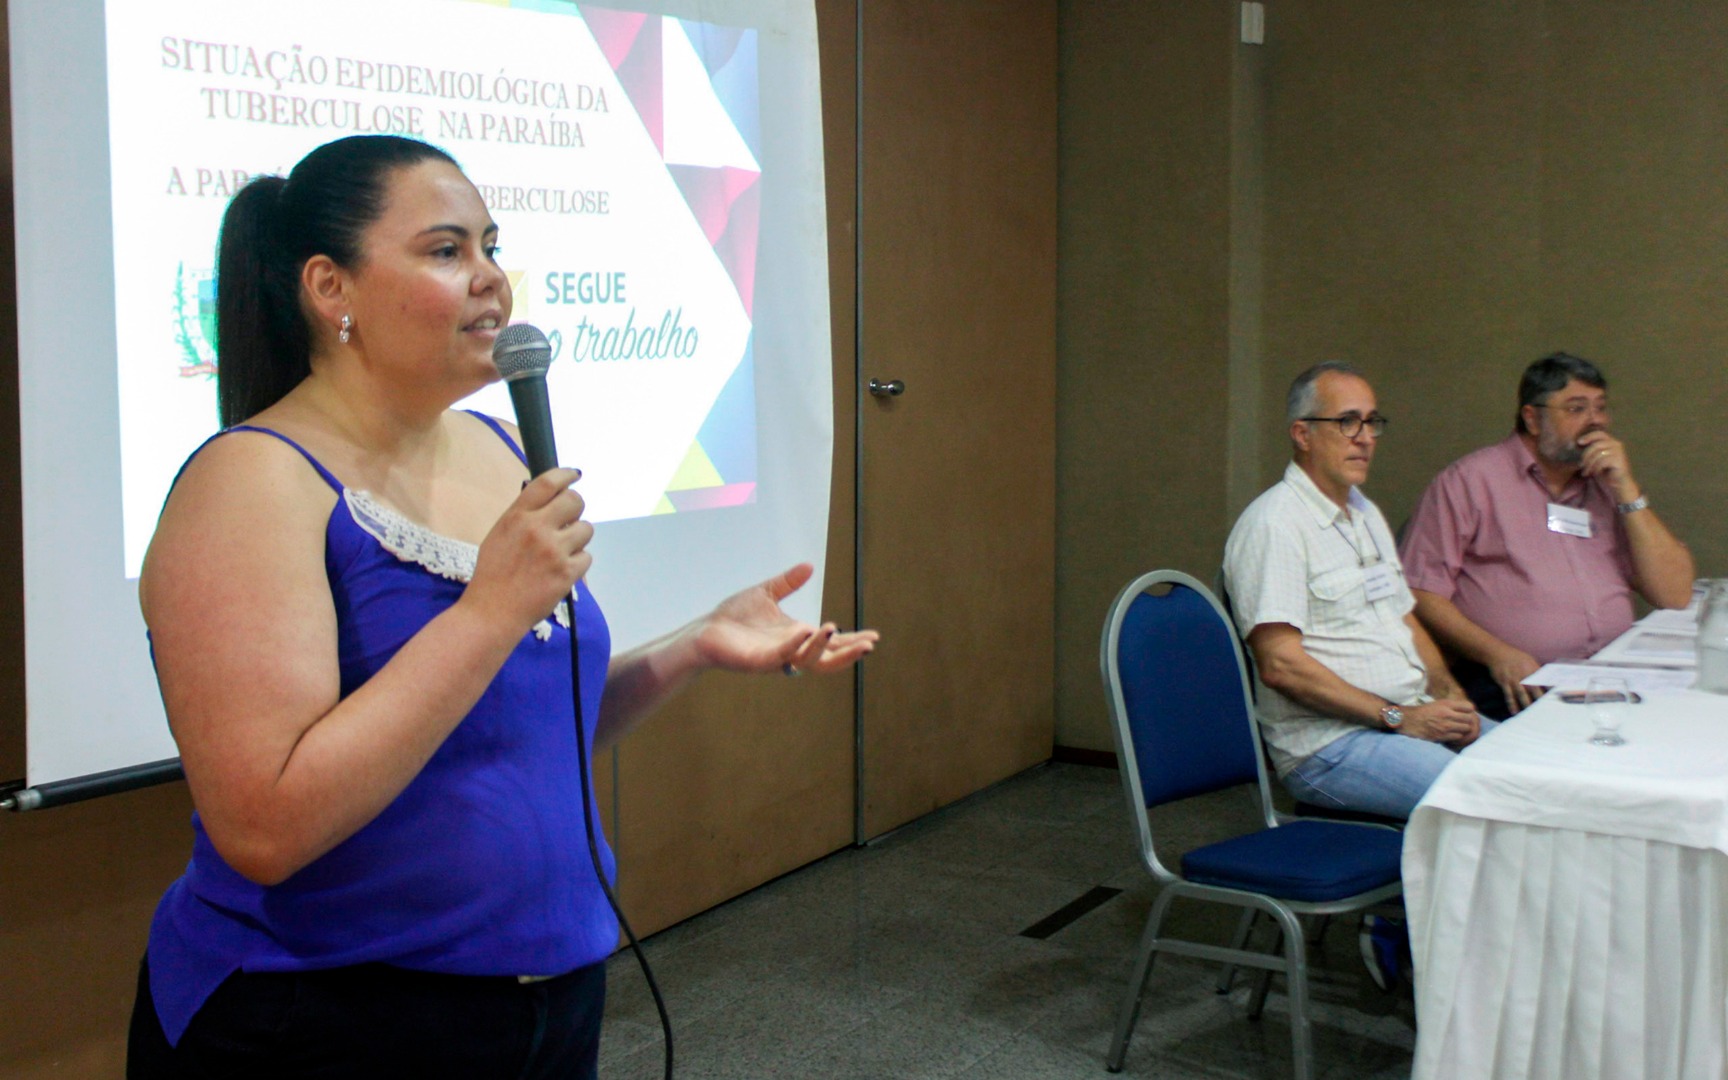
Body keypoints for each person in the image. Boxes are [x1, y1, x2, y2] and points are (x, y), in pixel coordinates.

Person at [126, 135, 877, 1079]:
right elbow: (265, 827)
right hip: (320, 1019)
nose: (491, 278)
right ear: (331, 289)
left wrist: (691, 646)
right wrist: (486, 612)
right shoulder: (250, 482)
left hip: (544, 1007)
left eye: (490, 244)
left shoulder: (491, 442)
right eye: (447, 252)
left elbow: (512, 727)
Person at [1223, 362, 1491, 821]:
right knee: (1481, 797)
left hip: (1408, 715)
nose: (1365, 436)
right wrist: (1397, 718)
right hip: (1328, 746)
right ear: (1302, 434)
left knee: (1531, 771)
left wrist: (1450, 695)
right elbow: (1281, 666)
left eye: (1372, 422)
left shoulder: (1363, 513)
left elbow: (1403, 616)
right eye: (1347, 421)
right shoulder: (1274, 525)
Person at [1399, 352, 1694, 718]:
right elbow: (1420, 591)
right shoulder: (1469, 482)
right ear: (1532, 418)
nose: (1596, 422)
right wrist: (1497, 653)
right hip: (1518, 679)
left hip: (1613, 675)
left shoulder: (1606, 485)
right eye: (1576, 409)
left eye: (1600, 408)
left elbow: (1676, 595)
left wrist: (1627, 489)